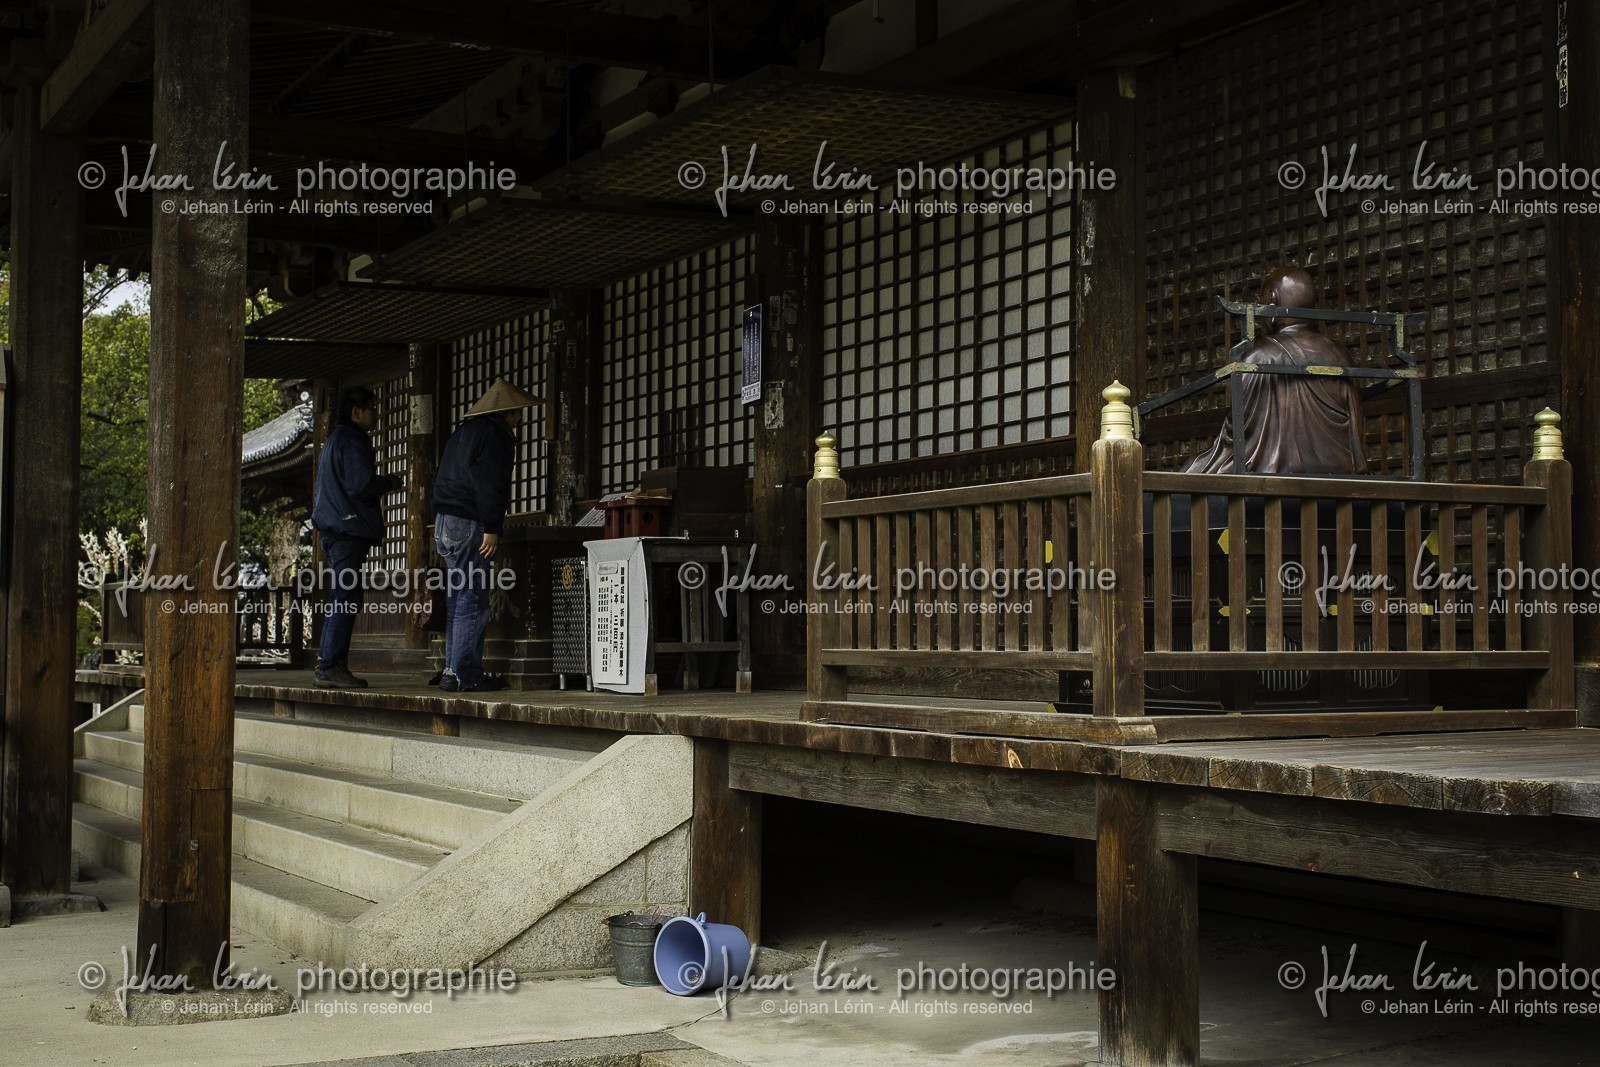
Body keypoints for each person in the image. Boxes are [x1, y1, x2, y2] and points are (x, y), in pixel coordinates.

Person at [1184, 266, 1369, 475]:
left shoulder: (1261, 356)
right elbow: (1355, 437)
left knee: (1188, 473)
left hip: (1272, 484)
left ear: (1272, 299)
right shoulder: (1342, 356)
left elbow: (1236, 434)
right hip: (1339, 481)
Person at [431, 379, 536, 693]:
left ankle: (453, 669)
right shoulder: (495, 435)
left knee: (456, 597)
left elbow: (437, 478)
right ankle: (465, 672)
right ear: (509, 412)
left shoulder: (462, 433)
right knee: (473, 599)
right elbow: (490, 484)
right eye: (518, 412)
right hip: (469, 521)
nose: (520, 417)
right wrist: (492, 527)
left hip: (444, 521)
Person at [311, 386, 402, 688]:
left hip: (335, 529)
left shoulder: (333, 440)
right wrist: (388, 482)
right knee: (345, 598)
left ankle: (329, 663)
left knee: (343, 597)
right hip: (346, 530)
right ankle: (330, 665)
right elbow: (361, 485)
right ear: (356, 412)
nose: (376, 413)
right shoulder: (351, 440)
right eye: (372, 408)